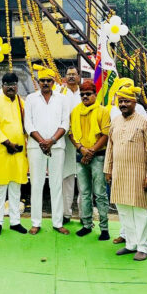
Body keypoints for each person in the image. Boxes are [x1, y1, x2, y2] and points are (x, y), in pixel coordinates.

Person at [104, 86, 147, 261]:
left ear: (135, 102)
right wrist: (108, 169)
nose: (123, 104)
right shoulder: (116, 121)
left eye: (127, 101)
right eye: (121, 101)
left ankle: (143, 247)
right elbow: (110, 147)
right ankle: (131, 244)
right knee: (123, 209)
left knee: (140, 211)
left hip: (138, 174)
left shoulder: (144, 122)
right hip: (119, 172)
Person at [25, 67, 70, 235]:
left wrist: (51, 141)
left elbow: (65, 123)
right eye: (42, 80)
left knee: (56, 183)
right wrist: (42, 141)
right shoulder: (31, 98)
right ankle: (36, 222)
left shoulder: (62, 99)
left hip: (56, 146)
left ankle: (57, 223)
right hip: (36, 146)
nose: (45, 83)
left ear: (53, 82)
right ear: (38, 82)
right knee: (36, 183)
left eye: (48, 81)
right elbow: (28, 123)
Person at [0, 72, 29, 235]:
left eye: (13, 84)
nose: (11, 87)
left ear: (17, 85)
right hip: (2, 150)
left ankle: (15, 221)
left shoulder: (21, 102)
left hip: (18, 151)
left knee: (15, 186)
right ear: (2, 86)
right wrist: (7, 143)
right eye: (7, 84)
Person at [69, 80, 111, 240]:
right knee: (84, 192)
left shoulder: (102, 111)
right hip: (81, 156)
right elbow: (71, 133)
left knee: (100, 193)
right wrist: (81, 149)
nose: (85, 97)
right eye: (82, 94)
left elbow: (106, 134)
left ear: (95, 95)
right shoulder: (75, 111)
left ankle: (104, 228)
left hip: (98, 156)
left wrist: (91, 151)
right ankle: (86, 225)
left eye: (88, 94)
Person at [61, 66, 82, 224]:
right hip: (66, 140)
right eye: (69, 75)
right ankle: (65, 214)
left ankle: (84, 215)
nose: (71, 77)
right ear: (65, 77)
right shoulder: (60, 93)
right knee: (66, 176)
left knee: (83, 179)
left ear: (79, 76)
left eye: (74, 74)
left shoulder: (86, 93)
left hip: (84, 140)